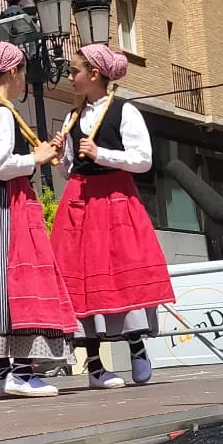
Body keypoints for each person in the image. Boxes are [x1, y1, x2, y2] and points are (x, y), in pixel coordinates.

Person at [0, 40, 77, 398]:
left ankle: (3, 373)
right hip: (6, 205)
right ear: (12, 71)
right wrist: (36, 159)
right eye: (23, 71)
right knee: (14, 279)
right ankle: (20, 372)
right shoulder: (1, 113)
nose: (25, 79)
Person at [52, 43, 175, 389]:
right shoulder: (72, 116)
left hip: (115, 196)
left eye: (75, 71)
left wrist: (102, 153)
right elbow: (68, 171)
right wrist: (62, 158)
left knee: (122, 270)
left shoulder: (124, 110)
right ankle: (93, 364)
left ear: (94, 75)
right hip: (80, 199)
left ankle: (137, 348)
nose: (70, 77)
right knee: (82, 278)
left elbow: (144, 160)